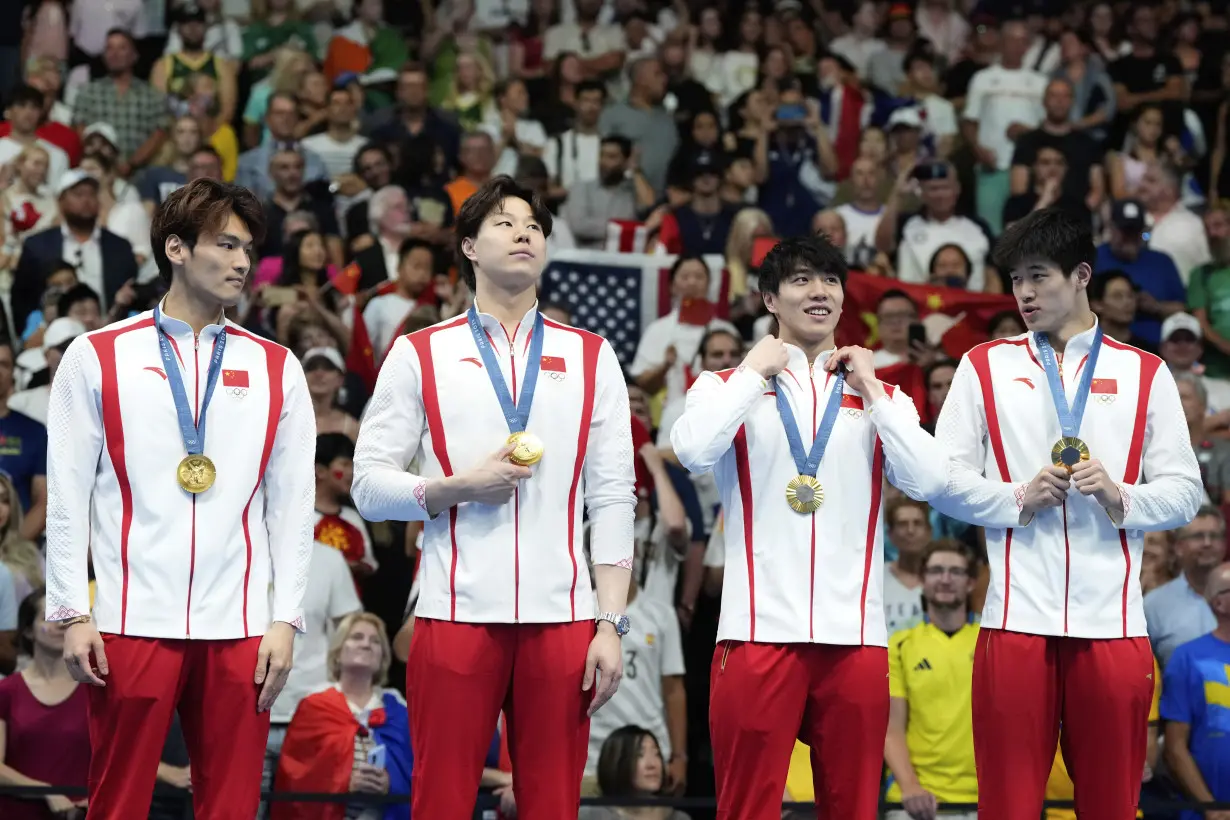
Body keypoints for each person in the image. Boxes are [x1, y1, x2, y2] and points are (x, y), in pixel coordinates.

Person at [351, 175, 635, 819]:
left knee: (553, 805)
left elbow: (615, 497)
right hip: (454, 612)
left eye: (534, 224)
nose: (525, 232)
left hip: (564, 620)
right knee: (441, 803)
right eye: (505, 223)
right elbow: (368, 486)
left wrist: (610, 623)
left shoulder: (593, 357)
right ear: (469, 247)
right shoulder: (420, 352)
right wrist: (454, 488)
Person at [44, 178, 317, 818]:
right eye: (225, 244)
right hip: (131, 617)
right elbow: (67, 496)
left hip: (243, 624)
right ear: (175, 247)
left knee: (230, 804)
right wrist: (73, 613)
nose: (242, 262)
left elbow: (292, 508)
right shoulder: (96, 357)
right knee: (118, 803)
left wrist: (285, 618)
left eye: (248, 248)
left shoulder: (279, 368)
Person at [931, 206, 1203, 820]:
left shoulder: (1146, 373)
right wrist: (1015, 499)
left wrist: (1121, 497)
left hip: (1113, 626)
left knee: (1110, 808)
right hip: (1015, 621)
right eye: (1015, 280)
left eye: (1038, 277)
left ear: (1081, 275)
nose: (1023, 293)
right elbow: (941, 481)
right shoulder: (984, 366)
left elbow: (1186, 491)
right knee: (1007, 807)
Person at [669, 234, 948, 820]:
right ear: (769, 297)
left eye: (828, 281)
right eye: (799, 280)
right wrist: (751, 371)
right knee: (747, 809)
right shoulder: (725, 386)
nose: (817, 291)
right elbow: (692, 451)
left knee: (853, 810)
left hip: (856, 638)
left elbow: (928, 480)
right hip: (757, 631)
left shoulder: (882, 396)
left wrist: (872, 388)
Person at [884, 541, 979, 820]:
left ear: (971, 582)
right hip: (915, 802)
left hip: (983, 799)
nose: (946, 579)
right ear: (923, 580)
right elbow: (891, 728)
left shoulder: (992, 644)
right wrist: (910, 786)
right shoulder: (899, 645)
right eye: (936, 571)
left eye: (956, 572)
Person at [0, 588, 89, 820]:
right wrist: (46, 792)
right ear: (28, 631)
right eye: (51, 617)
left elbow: (116, 756)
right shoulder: (7, 691)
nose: (62, 625)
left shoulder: (95, 690)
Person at [1162, 561, 1230, 820]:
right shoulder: (1187, 657)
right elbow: (1175, 747)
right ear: (1218, 603)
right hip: (1204, 812)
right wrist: (1210, 808)